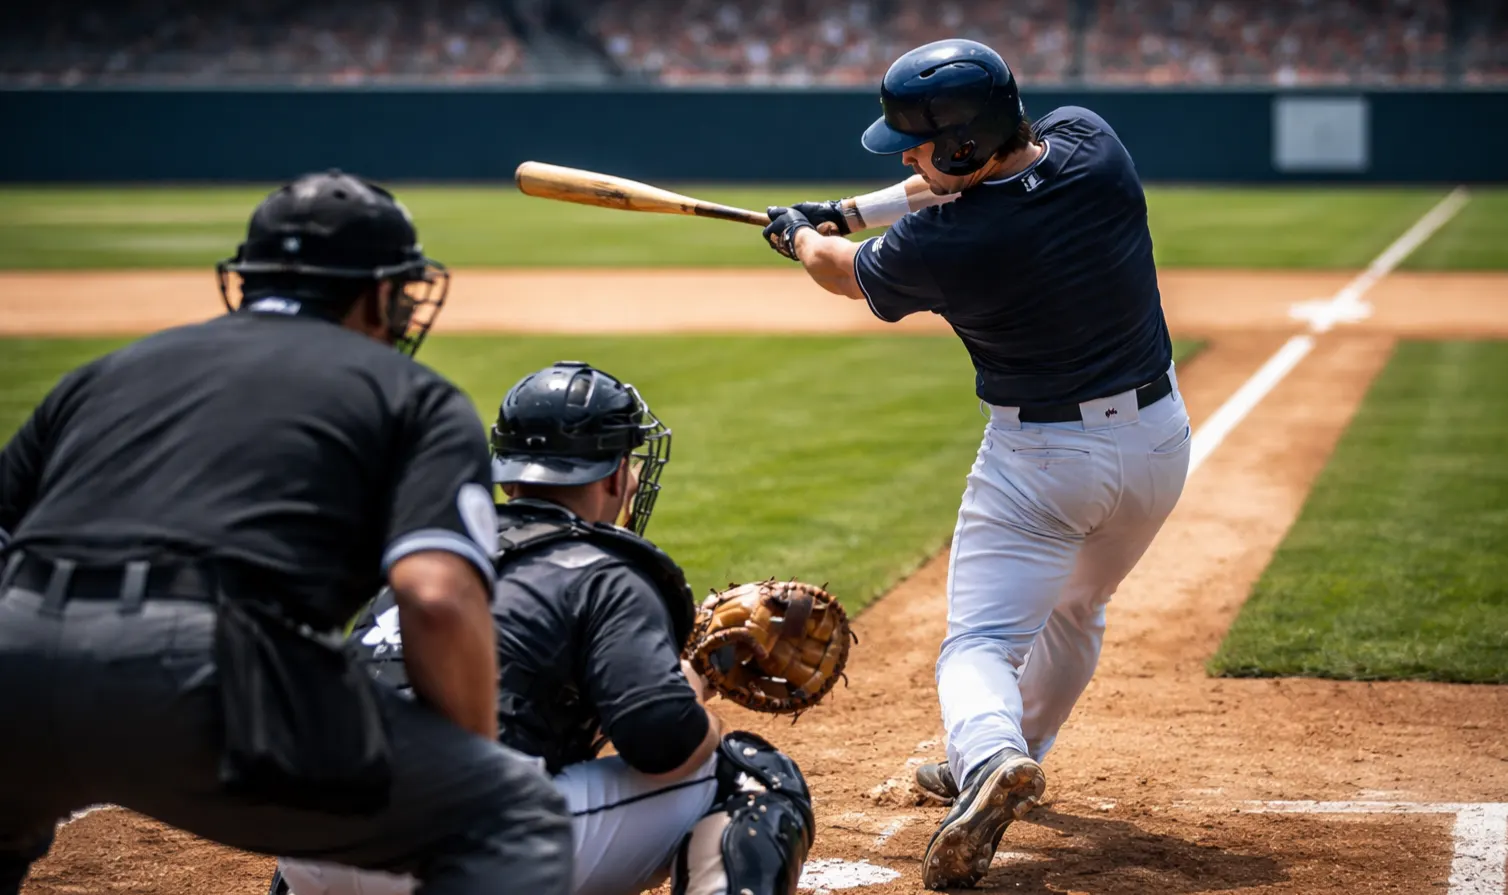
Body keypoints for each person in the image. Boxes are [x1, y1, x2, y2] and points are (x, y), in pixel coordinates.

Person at [0, 171, 573, 895]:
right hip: (202, 663)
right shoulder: (411, 397)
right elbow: (435, 598)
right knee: (512, 813)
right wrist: (465, 769)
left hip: (11, 648)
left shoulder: (104, 374)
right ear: (379, 293)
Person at [761, 39, 1193, 889]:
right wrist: (851, 206)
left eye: (921, 143)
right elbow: (961, 179)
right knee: (1080, 607)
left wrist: (805, 234)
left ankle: (990, 752)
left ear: (962, 142)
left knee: (979, 643)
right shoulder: (1091, 143)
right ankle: (1008, 756)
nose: (912, 158)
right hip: (1156, 447)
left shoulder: (945, 244)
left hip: (1043, 461)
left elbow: (841, 275)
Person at [271, 360, 815, 895]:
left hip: (310, 848)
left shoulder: (434, 556)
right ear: (612, 474)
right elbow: (663, 740)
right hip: (455, 851)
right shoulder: (602, 569)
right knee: (753, 776)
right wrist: (699, 680)